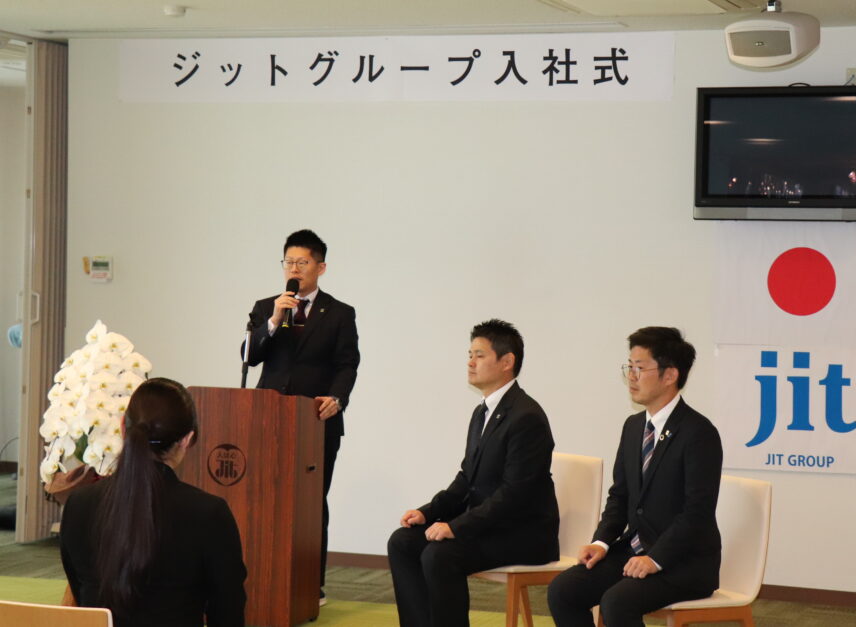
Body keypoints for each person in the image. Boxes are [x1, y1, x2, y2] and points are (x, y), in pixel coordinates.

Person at [387, 319, 559, 627]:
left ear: (507, 362)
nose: (470, 362)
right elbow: (467, 478)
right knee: (403, 541)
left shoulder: (527, 417)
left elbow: (515, 495)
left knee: (439, 555)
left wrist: (456, 527)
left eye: (479, 355)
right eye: (470, 354)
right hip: (490, 526)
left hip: (521, 533)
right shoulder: (482, 412)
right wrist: (427, 513)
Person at [547, 326, 722, 627]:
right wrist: (601, 542)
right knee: (564, 590)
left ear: (670, 375)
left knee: (617, 602)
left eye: (640, 368)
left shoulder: (698, 433)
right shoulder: (633, 427)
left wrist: (655, 559)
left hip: (684, 561)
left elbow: (697, 513)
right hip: (634, 549)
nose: (631, 376)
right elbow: (620, 496)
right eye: (629, 367)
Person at [59, 378, 246, 627]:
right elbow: (228, 612)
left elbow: (82, 594)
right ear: (186, 439)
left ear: (123, 427)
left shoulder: (79, 504)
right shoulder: (209, 513)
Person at [244, 228, 360, 602]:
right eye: (289, 262)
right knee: (263, 498)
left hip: (317, 421)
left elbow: (347, 364)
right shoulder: (267, 306)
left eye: (302, 262)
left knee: (311, 503)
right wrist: (274, 320)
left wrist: (337, 398)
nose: (294, 269)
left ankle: (312, 583)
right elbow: (249, 356)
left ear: (320, 267)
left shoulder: (340, 313)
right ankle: (263, 574)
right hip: (268, 420)